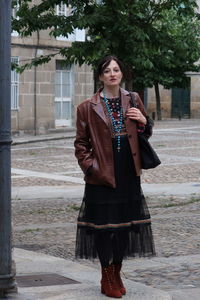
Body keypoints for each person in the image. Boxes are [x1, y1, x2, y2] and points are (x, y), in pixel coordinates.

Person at [74, 55, 155, 298]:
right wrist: (92, 167)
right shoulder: (87, 107)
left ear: (121, 74)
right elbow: (80, 144)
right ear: (100, 76)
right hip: (101, 175)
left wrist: (144, 121)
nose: (112, 74)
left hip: (128, 171)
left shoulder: (133, 98)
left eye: (116, 69)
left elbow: (145, 133)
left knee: (124, 227)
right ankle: (106, 274)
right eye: (107, 70)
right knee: (103, 227)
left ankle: (116, 272)